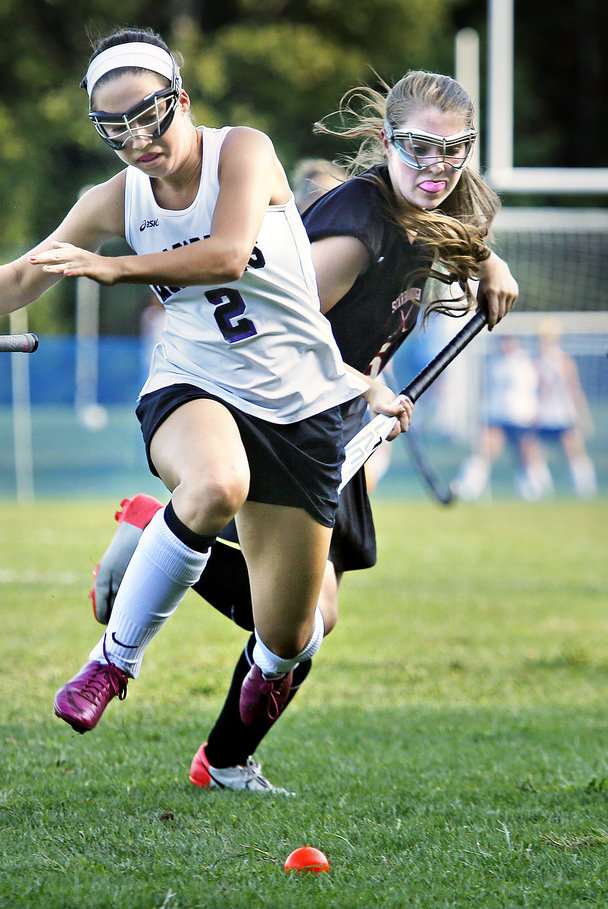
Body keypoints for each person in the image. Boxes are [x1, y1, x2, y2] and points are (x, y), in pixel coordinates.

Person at [0, 29, 411, 741]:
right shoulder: (117, 198)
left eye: (149, 115)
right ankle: (112, 660)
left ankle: (270, 668)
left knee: (293, 633)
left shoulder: (244, 152)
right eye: (115, 128)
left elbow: (227, 253)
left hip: (299, 404)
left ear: (180, 100)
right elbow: (26, 274)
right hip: (195, 383)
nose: (137, 138)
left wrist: (115, 269)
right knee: (215, 484)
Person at [90, 70, 518, 791]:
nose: (439, 166)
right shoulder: (356, 231)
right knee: (302, 622)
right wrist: (366, 388)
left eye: (455, 151)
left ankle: (221, 756)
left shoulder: (416, 202)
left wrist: (488, 259)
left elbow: (459, 219)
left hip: (337, 423)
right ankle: (219, 748)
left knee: (308, 618)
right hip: (294, 416)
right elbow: (280, 327)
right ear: (389, 143)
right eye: (421, 149)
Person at [454, 334, 551, 501]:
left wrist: (540, 410)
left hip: (522, 417)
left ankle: (538, 492)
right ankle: (468, 489)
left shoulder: (527, 362)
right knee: (484, 452)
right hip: (497, 416)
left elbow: (543, 387)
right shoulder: (494, 363)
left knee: (527, 455)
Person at [534, 317, 597, 498]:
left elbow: (574, 390)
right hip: (543, 417)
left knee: (575, 455)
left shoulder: (564, 361)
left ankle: (585, 492)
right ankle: (539, 492)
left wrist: (583, 418)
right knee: (534, 454)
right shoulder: (536, 361)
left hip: (562, 415)